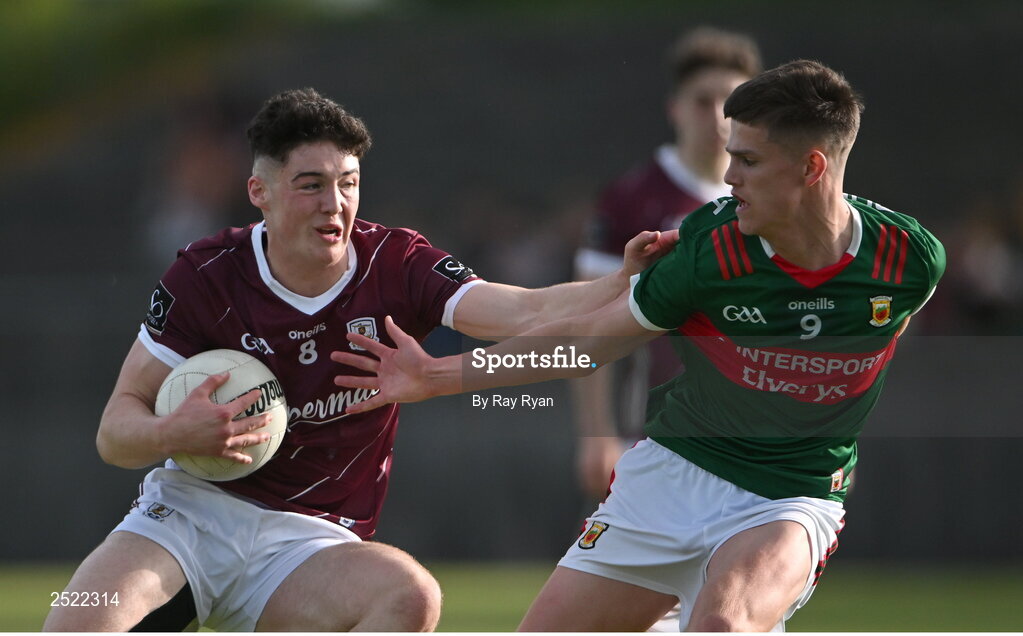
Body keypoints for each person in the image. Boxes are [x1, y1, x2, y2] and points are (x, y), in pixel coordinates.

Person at [332, 60, 946, 631]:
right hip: (673, 476)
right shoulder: (708, 251)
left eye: (749, 162)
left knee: (722, 624)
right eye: (730, 157)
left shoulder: (909, 260)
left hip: (790, 497)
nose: (728, 177)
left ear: (813, 168)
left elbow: (877, 331)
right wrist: (437, 375)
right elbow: (590, 343)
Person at [43, 88, 676, 632]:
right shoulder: (204, 274)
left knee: (411, 595)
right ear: (259, 191)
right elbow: (113, 433)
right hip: (187, 518)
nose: (334, 204)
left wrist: (617, 282)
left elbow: (524, 311)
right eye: (310, 185)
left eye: (347, 184)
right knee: (77, 619)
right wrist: (170, 432)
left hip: (310, 543)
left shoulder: (395, 262)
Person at [572, 23, 761, 519]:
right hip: (657, 437)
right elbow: (589, 318)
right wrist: (597, 434)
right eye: (704, 101)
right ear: (675, 107)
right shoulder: (633, 198)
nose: (718, 116)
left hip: (757, 443)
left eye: (732, 101)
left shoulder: (770, 203)